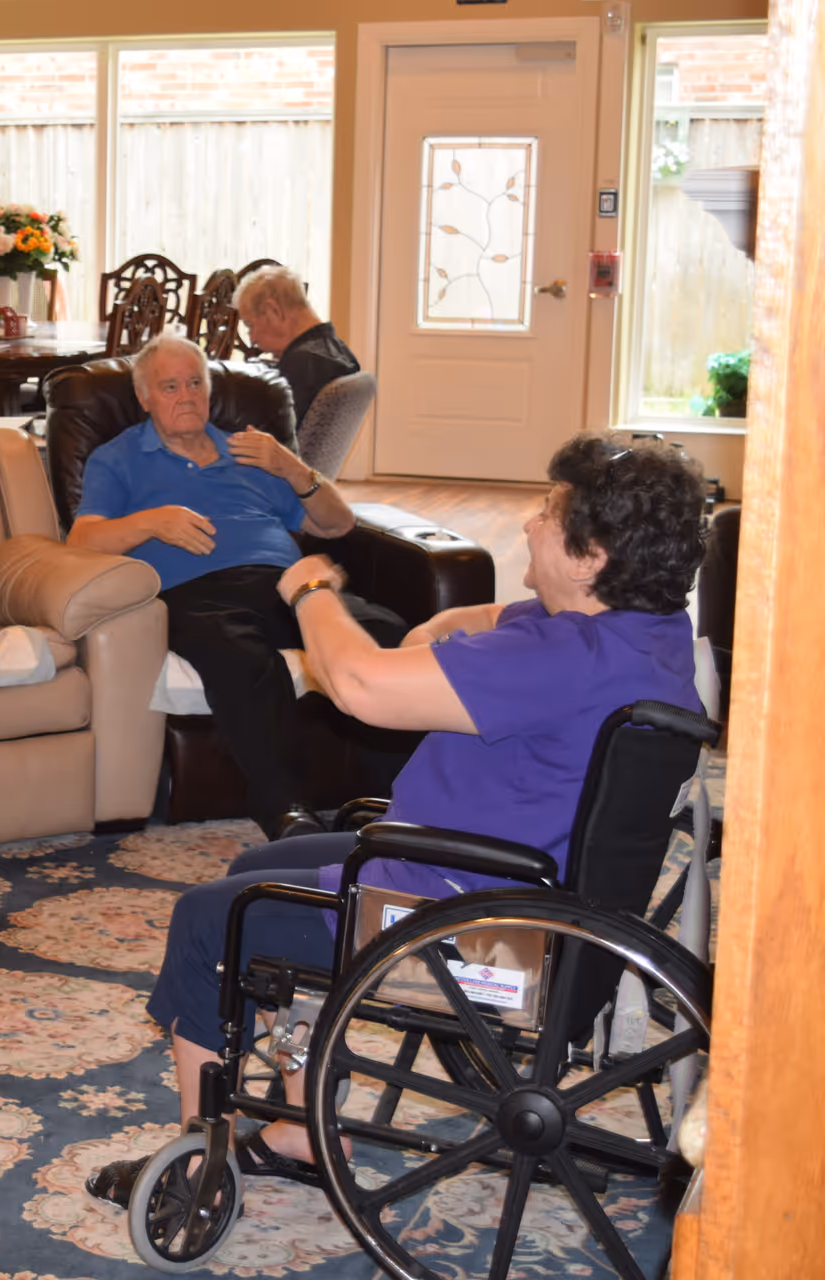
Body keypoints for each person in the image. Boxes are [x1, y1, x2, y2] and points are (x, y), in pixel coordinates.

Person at [86, 432, 706, 1205]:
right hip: (515, 896)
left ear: (592, 557)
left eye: (550, 514)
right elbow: (497, 620)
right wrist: (455, 627)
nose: (529, 524)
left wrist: (312, 590)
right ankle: (299, 1128)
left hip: (472, 936)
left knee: (214, 919)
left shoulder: (558, 664)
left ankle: (196, 1168)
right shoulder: (645, 637)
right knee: (256, 869)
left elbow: (359, 685)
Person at [67, 333, 404, 840]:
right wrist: (152, 522)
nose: (186, 396)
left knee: (387, 632)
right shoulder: (117, 459)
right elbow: (81, 540)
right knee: (239, 656)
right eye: (170, 386)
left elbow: (338, 524)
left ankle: (398, 801)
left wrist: (292, 467)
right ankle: (285, 809)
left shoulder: (252, 451)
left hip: (286, 584)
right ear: (144, 397)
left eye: (195, 383)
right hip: (197, 593)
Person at [234, 264, 360, 425]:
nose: (252, 339)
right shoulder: (340, 352)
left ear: (273, 311)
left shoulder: (302, 364)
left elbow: (262, 432)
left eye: (250, 325)